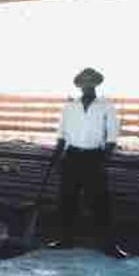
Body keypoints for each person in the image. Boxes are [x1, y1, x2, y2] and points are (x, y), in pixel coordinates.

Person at [48, 67, 128, 258]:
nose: (87, 84)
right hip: (72, 156)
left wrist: (103, 160)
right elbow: (62, 135)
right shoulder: (69, 107)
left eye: (91, 81)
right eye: (84, 81)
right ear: (79, 85)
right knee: (67, 200)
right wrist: (56, 158)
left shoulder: (106, 106)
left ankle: (109, 245)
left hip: (94, 157)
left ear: (96, 84)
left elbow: (112, 137)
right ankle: (65, 240)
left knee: (100, 202)